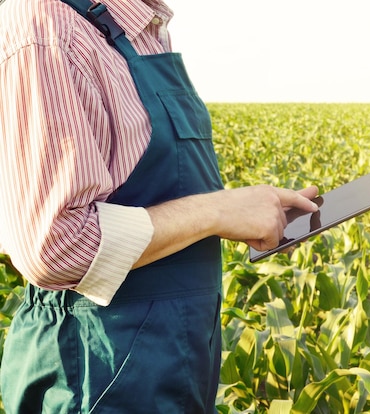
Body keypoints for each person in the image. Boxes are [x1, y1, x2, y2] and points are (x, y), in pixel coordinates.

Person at [0, 0, 318, 412]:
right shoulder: (47, 27)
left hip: (173, 360)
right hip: (99, 370)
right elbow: (56, 245)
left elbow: (152, 198)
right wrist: (216, 212)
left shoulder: (139, 30)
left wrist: (248, 211)